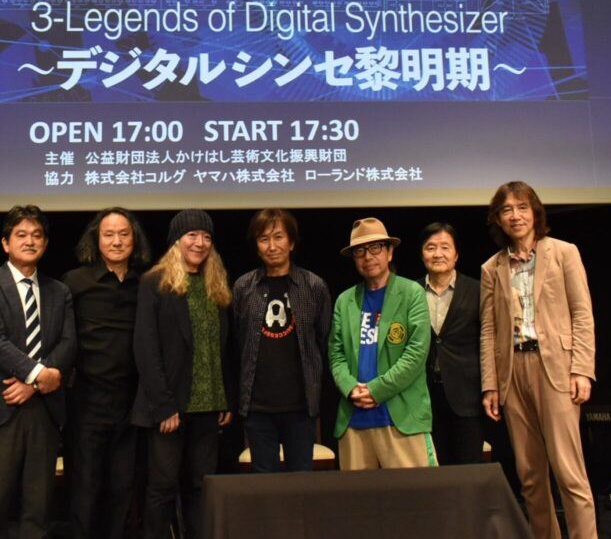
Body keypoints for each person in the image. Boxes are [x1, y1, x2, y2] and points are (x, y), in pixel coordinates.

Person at [480, 181, 597, 539]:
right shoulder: (492, 267)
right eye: (506, 210)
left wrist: (582, 370)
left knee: (569, 472)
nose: (515, 216)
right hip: (513, 373)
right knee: (530, 477)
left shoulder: (564, 253)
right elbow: (489, 330)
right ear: (498, 219)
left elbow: (582, 314)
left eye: (522, 207)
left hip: (556, 368)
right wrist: (490, 385)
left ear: (535, 213)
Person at [0, 205, 76, 539]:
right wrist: (40, 374)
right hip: (0, 405)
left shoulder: (59, 291)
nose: (30, 241)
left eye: (37, 235)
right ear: (5, 243)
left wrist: (36, 385)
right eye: (21, 235)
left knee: (39, 504)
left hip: (44, 409)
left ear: (45, 243)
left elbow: (68, 343)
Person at [131, 209, 235, 539]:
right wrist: (163, 405)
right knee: (162, 487)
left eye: (206, 237)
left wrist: (225, 397)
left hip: (209, 406)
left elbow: (222, 348)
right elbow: (146, 348)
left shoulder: (216, 285)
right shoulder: (155, 283)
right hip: (170, 407)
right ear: (176, 241)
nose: (200, 243)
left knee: (200, 487)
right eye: (192, 235)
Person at [62, 208, 151, 539]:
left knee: (123, 491)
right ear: (96, 240)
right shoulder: (75, 282)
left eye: (124, 234)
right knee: (84, 491)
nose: (117, 241)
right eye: (109, 234)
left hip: (131, 405)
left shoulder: (147, 283)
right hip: (87, 402)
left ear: (134, 239)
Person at [328, 217, 436, 470]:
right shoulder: (345, 300)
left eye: (376, 248)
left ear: (390, 252)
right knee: (358, 496)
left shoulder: (411, 293)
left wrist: (377, 390)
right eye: (360, 251)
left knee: (415, 493)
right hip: (354, 419)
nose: (368, 256)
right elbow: (336, 353)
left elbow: (416, 353)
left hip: (401, 417)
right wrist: (351, 389)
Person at [232, 208, 332, 472]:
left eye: (278, 237)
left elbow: (323, 340)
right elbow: (237, 342)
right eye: (263, 239)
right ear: (256, 246)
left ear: (292, 242)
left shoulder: (314, 286)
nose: (272, 246)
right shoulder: (243, 287)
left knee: (301, 481)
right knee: (264, 484)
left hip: (301, 406)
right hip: (257, 406)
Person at [419, 222, 484, 465]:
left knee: (469, 471)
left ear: (456, 254)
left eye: (445, 247)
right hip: (424, 396)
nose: (438, 254)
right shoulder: (410, 292)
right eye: (430, 247)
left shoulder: (478, 290)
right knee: (434, 471)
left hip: (467, 396)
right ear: (422, 254)